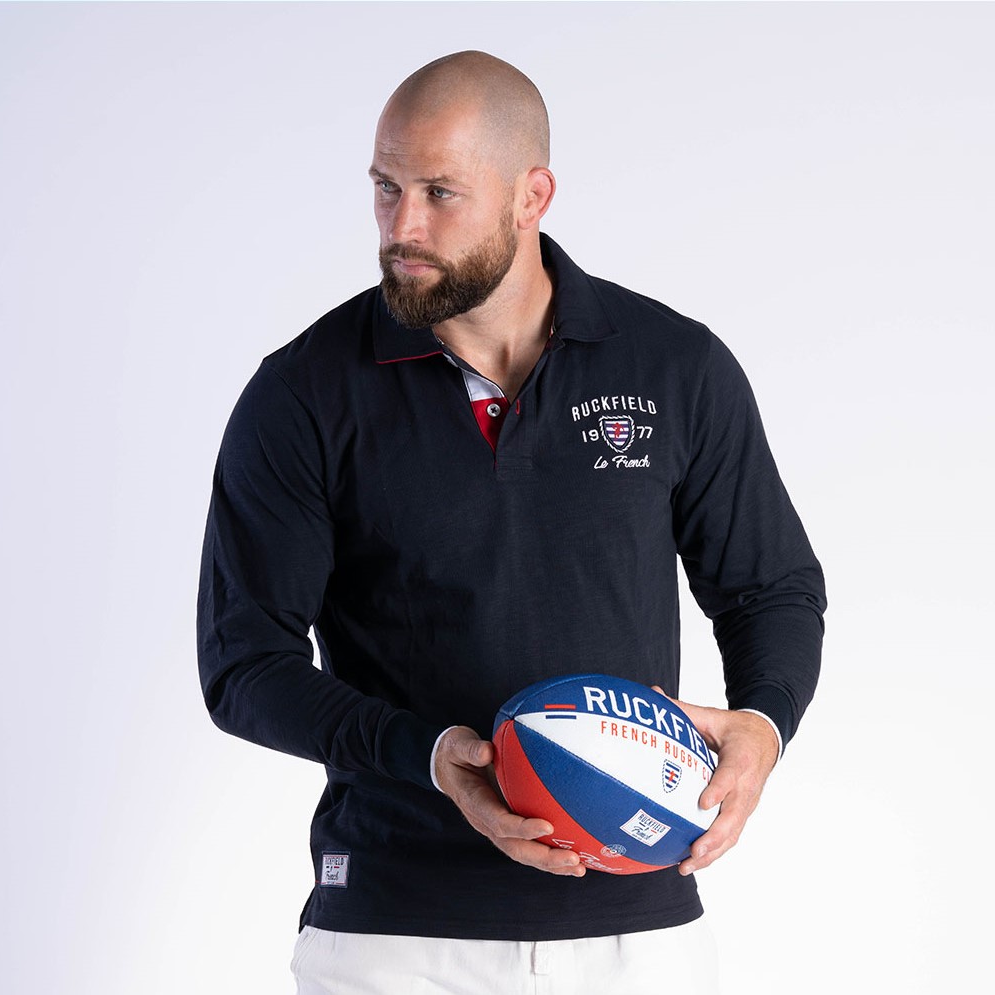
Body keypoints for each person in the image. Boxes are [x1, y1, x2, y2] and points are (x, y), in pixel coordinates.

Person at [197, 51, 826, 995]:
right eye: (385, 187)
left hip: (638, 938)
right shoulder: (304, 392)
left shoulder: (675, 367)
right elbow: (243, 664)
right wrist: (431, 756)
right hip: (394, 940)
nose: (402, 227)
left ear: (533, 196)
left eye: (439, 193)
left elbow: (770, 588)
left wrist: (764, 725)